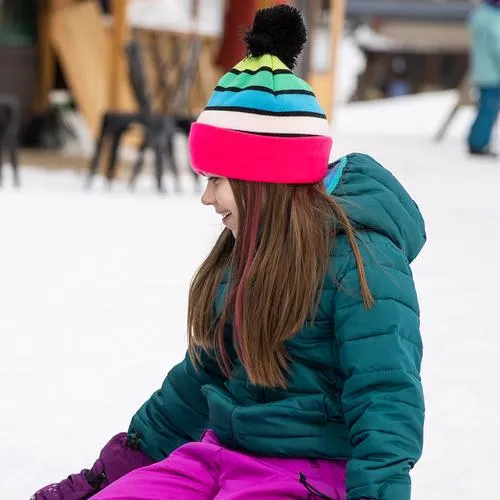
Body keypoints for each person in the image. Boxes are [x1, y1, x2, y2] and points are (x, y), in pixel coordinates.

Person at [33, 5, 425, 500]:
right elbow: (196, 382)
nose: (207, 198)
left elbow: (387, 403)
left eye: (217, 179)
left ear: (262, 178)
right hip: (216, 457)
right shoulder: (242, 251)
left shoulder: (361, 262)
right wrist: (106, 476)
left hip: (308, 472)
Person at [468, 0, 500, 156]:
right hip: (494, 73)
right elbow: (497, 47)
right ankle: (478, 143)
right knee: (489, 110)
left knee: (484, 109)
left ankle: (476, 141)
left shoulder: (479, 15)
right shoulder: (494, 18)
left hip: (482, 71)